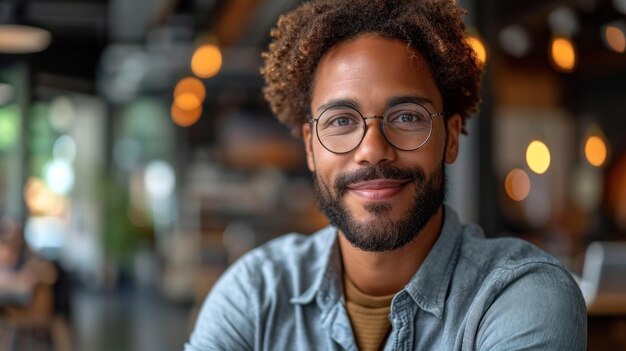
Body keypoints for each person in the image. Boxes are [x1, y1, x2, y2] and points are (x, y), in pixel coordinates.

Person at [185, 0, 587, 349]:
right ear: (309, 146)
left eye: (407, 117)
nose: (373, 149)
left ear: (449, 138)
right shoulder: (254, 294)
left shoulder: (520, 296)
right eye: (341, 120)